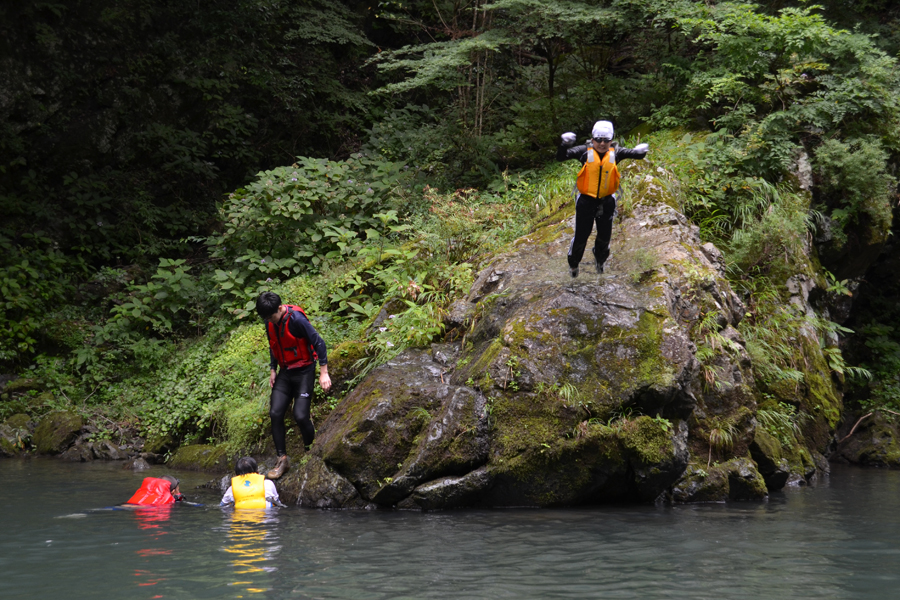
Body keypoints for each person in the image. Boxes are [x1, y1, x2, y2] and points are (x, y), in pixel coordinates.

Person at [556, 120, 649, 277]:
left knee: (604, 237)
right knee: (581, 236)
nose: (602, 143)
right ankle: (573, 265)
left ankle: (600, 261)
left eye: (606, 139)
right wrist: (564, 144)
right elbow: (561, 157)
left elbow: (636, 155)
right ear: (592, 139)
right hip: (586, 201)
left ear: (611, 140)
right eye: (598, 139)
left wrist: (642, 151)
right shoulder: (584, 151)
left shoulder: (616, 152)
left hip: (607, 201)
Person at [257, 291, 331, 479]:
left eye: (272, 316)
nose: (270, 321)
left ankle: (310, 452)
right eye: (267, 318)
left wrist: (324, 373)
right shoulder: (270, 322)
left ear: (280, 308)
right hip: (286, 371)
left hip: (305, 370)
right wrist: (273, 369)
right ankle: (282, 459)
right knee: (275, 413)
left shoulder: (296, 320)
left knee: (300, 415)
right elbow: (273, 345)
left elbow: (319, 343)